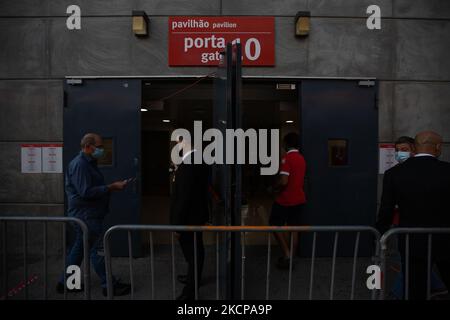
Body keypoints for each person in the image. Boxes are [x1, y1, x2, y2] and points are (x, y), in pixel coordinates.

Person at [377, 131, 450, 300]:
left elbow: (386, 210)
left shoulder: (394, 173)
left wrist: (380, 233)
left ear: (415, 148)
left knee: (415, 289)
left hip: (412, 240)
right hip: (446, 239)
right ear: (438, 147)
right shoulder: (447, 171)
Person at [57, 133, 131, 297]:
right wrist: (111, 187)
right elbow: (85, 192)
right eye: (99, 146)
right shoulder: (80, 165)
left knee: (79, 249)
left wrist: (109, 188)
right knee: (96, 249)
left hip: (87, 214)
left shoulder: (89, 163)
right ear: (88, 146)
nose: (102, 150)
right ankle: (108, 285)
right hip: (85, 216)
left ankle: (67, 282)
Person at [170, 135, 209, 300]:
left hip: (188, 219)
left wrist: (177, 225)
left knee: (192, 253)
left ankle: (190, 292)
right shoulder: (197, 160)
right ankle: (193, 278)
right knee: (196, 250)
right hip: (197, 215)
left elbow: (183, 198)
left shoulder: (188, 165)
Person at [269, 132, 307, 269]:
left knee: (274, 224)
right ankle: (292, 256)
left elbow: (284, 181)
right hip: (299, 199)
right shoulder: (301, 158)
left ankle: (287, 255)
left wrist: (274, 188)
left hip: (285, 199)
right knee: (294, 228)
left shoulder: (286, 158)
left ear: (286, 144)